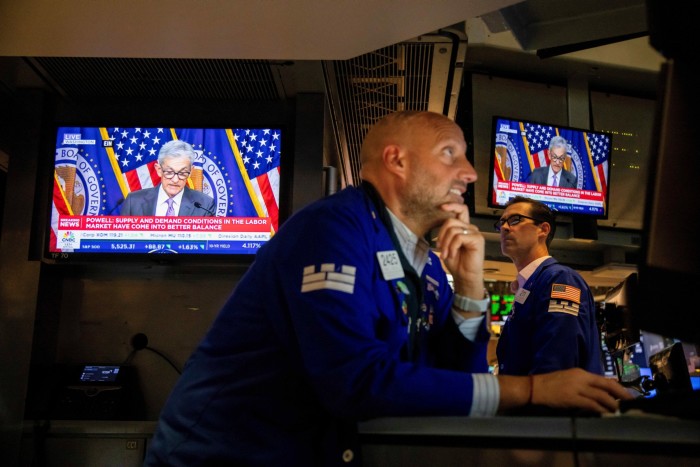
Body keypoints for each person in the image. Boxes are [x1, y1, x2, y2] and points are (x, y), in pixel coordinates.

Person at [143, 111, 631, 467]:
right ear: (396, 161)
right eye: (450, 155)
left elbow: (449, 383)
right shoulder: (333, 228)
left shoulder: (430, 265)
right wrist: (529, 390)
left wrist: (469, 292)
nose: (470, 173)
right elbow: (353, 383)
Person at [494, 195, 603, 377]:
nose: (504, 227)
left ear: (543, 229)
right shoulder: (530, 285)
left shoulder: (559, 278)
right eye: (502, 222)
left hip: (550, 403)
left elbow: (557, 365)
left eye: (515, 220)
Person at [118, 140, 216, 216]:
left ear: (190, 172)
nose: (175, 180)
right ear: (159, 170)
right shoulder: (134, 201)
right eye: (169, 172)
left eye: (182, 173)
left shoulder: (204, 205)